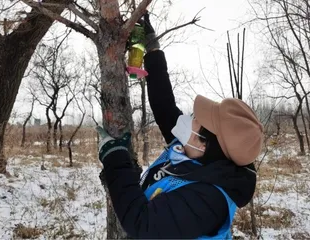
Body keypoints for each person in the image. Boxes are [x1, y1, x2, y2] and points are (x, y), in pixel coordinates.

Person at [97, 12, 264, 239]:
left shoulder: (208, 200)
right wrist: (153, 51)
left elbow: (142, 222)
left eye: (198, 119)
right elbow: (164, 106)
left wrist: (115, 159)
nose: (190, 118)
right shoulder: (197, 153)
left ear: (205, 144)